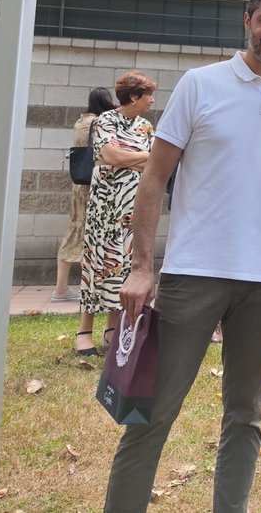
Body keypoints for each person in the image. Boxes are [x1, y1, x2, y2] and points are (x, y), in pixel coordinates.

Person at [106, 0, 261, 513]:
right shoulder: (200, 85)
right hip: (194, 272)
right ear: (247, 20)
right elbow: (155, 177)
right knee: (153, 411)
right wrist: (141, 266)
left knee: (246, 414)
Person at [76, 72, 156, 356]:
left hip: (134, 209)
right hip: (105, 208)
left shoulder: (146, 127)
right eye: (148, 95)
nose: (152, 100)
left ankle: (113, 329)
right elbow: (111, 157)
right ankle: (84, 330)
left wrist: (132, 160)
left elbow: (156, 163)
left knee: (124, 266)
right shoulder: (105, 121)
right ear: (134, 96)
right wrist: (141, 160)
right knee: (98, 263)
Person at [54, 87, 116, 303]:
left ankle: (61, 287)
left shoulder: (81, 122)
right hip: (95, 184)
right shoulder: (99, 123)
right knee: (93, 233)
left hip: (79, 184)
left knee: (75, 230)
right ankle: (91, 288)